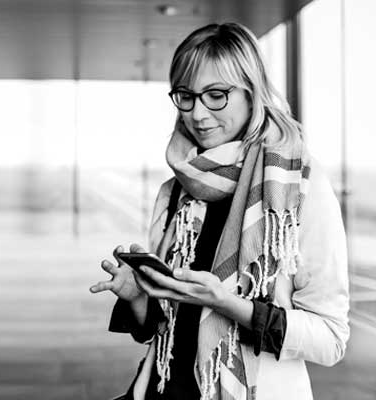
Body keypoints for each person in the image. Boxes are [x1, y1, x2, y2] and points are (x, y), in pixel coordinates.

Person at [87, 23, 350, 400]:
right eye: (186, 96)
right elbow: (162, 332)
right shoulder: (178, 187)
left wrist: (228, 304)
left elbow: (331, 339)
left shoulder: (298, 188)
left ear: (251, 92)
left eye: (216, 95)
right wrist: (140, 299)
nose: (198, 114)